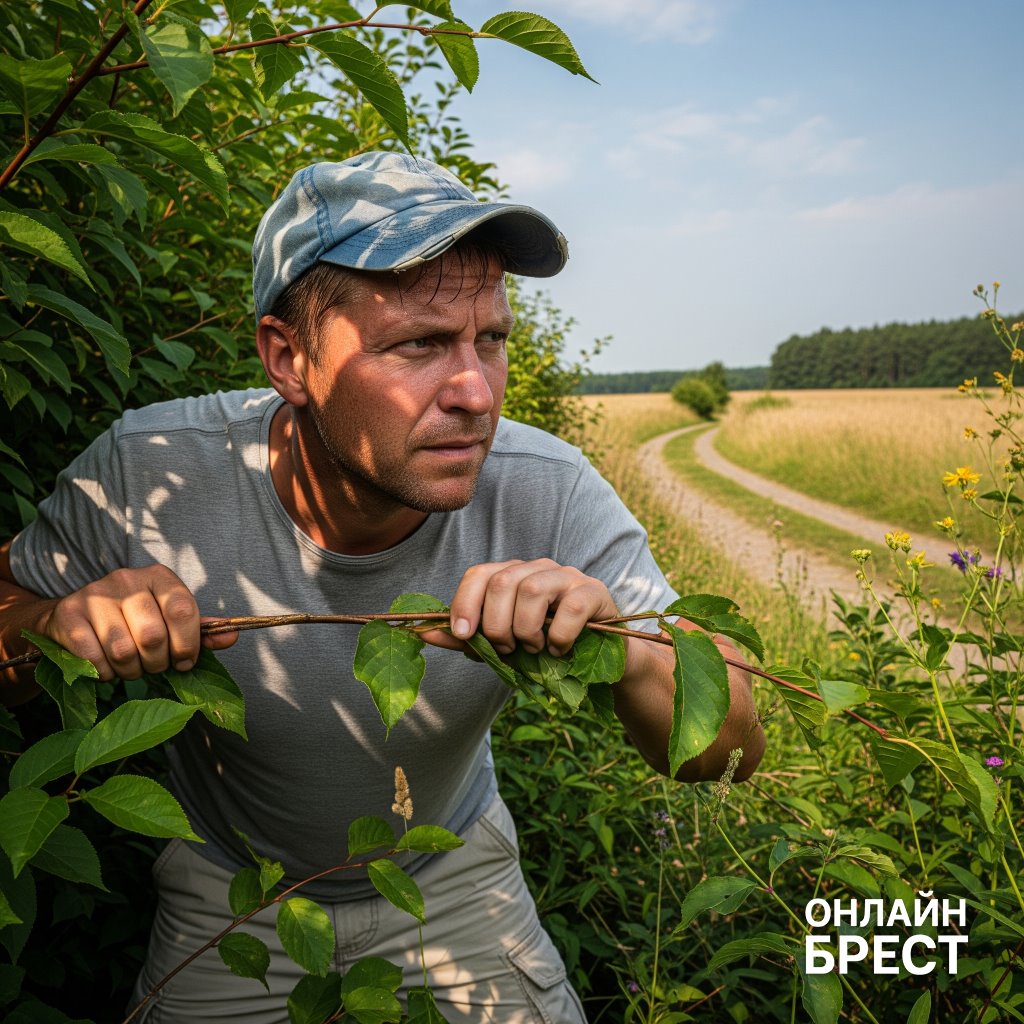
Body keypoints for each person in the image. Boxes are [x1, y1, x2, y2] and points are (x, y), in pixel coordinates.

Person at [0, 152, 765, 1023]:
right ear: (289, 359)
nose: (476, 392)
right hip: (233, 893)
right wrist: (57, 628)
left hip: (453, 872)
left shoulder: (544, 487)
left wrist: (627, 648)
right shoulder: (152, 474)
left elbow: (730, 753)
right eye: (419, 345)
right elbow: (6, 622)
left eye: (493, 338)